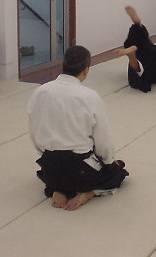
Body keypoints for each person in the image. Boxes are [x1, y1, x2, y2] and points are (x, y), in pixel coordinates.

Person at [27, 45, 129, 210]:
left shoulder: (40, 91)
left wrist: (45, 154)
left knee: (53, 171)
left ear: (63, 65)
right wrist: (109, 162)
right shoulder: (90, 96)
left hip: (50, 166)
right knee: (118, 171)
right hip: (80, 169)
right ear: (86, 70)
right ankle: (88, 192)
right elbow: (103, 140)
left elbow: (34, 130)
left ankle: (58, 188)